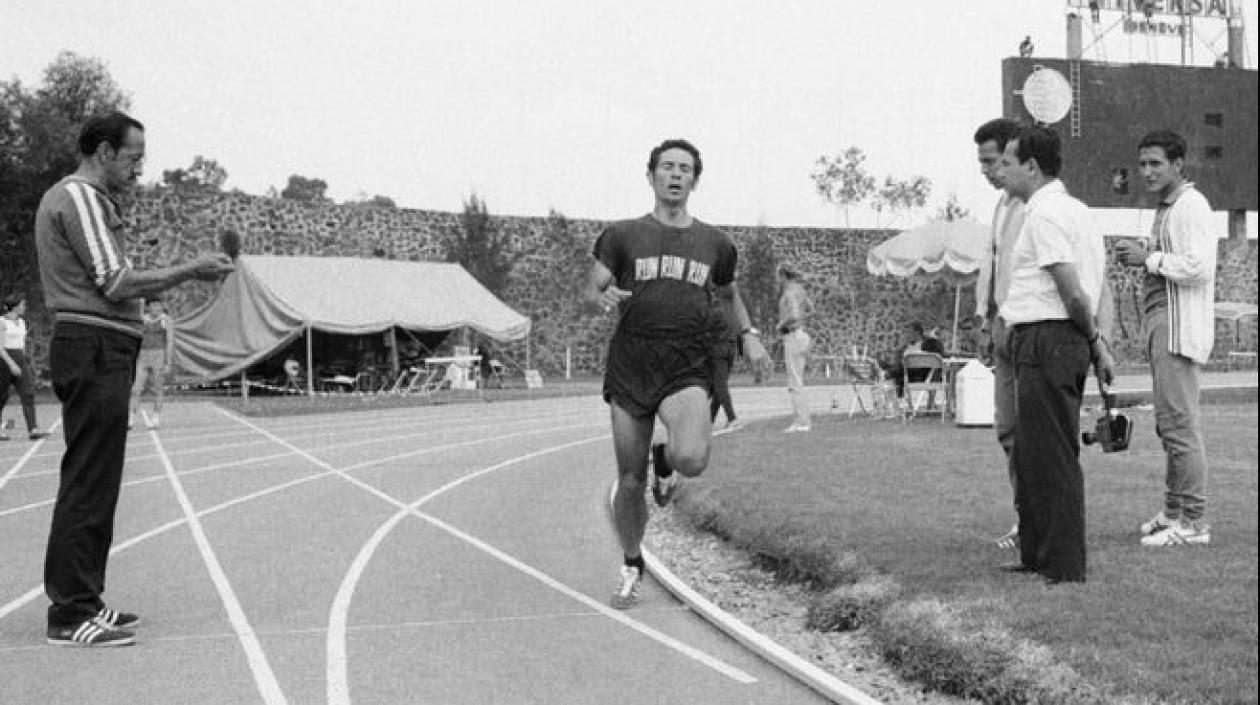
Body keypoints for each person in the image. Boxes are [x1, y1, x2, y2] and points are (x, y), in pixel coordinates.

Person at [35, 111, 234, 646]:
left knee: (96, 481)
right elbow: (117, 282)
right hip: (93, 346)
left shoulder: (92, 201)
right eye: (133, 157)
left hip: (102, 347)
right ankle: (70, 613)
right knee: (89, 481)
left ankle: (84, 600)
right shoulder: (78, 197)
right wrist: (191, 268)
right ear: (103, 151)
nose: (139, 168)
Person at [582, 138, 769, 609]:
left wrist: (749, 333)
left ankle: (664, 460)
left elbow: (728, 293)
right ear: (651, 176)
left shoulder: (715, 243)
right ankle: (632, 562)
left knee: (693, 458)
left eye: (685, 169)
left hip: (686, 361)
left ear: (694, 181)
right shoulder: (622, 235)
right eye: (667, 167)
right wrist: (600, 296)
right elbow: (591, 288)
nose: (675, 175)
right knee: (629, 480)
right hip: (632, 362)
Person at [995, 125, 1114, 585]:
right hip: (1046, 337)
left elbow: (1074, 292)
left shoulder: (1046, 215)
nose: (1000, 171)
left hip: (1050, 337)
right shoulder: (1075, 211)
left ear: (1031, 166)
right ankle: (1037, 555)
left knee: (1054, 454)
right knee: (1033, 453)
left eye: (1007, 162)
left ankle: (1063, 566)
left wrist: (1094, 339)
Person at [1115, 130, 1216, 547]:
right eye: (1142, 164)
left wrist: (1149, 258)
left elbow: (1199, 266)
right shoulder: (1168, 209)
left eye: (1155, 163)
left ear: (1178, 164)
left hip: (1177, 328)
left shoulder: (1191, 205)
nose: (1147, 171)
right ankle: (1174, 512)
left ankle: (1193, 522)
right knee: (1167, 425)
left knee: (1179, 425)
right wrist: (1147, 252)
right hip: (1161, 324)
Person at [972, 117, 1026, 551]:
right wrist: (983, 319)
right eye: (982, 163)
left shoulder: (1036, 206)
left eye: (992, 161)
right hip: (1001, 325)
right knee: (1008, 428)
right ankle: (1025, 516)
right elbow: (992, 267)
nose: (987, 171)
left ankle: (1039, 521)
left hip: (1029, 327)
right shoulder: (1002, 206)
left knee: (1031, 431)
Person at [0, 294, 49, 440]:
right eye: (22, 305)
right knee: (2, 396)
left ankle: (33, 429)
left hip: (20, 359)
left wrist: (23, 361)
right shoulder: (2, 322)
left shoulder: (22, 322)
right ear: (15, 306)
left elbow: (22, 344)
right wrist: (11, 364)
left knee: (28, 393)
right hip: (4, 361)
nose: (24, 307)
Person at [776, 265, 813, 433]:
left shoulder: (790, 292)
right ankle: (802, 420)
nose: (777, 280)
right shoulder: (800, 289)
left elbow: (794, 314)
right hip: (801, 335)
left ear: (783, 275)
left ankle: (802, 422)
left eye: (778, 276)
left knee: (795, 382)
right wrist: (800, 321)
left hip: (793, 337)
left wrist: (780, 324)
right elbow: (811, 309)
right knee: (797, 381)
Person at [129, 298, 173, 430]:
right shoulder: (142, 319)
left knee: (157, 389)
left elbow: (169, 342)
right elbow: (135, 338)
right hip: (143, 355)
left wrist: (168, 362)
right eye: (154, 305)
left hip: (159, 355)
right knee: (136, 389)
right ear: (148, 307)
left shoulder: (166, 320)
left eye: (159, 305)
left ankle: (155, 418)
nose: (157, 308)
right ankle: (130, 418)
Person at [708, 287, 743, 435]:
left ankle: (732, 418)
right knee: (719, 385)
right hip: (731, 349)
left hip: (718, 350)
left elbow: (706, 331)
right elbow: (739, 331)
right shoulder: (733, 312)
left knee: (720, 385)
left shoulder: (715, 310)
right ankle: (709, 420)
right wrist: (740, 351)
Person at [886, 321, 944, 400]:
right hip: (907, 375)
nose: (906, 335)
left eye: (909, 332)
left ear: (918, 332)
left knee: (892, 373)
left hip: (927, 375)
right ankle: (896, 400)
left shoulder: (931, 343)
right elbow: (897, 361)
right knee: (890, 373)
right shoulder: (904, 347)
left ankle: (899, 399)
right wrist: (902, 347)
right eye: (905, 332)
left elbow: (940, 357)